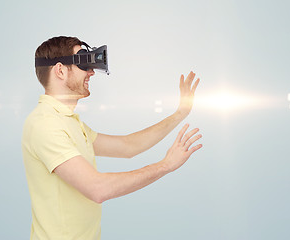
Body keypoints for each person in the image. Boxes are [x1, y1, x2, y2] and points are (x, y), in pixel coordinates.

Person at [22, 36, 203, 240]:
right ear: (60, 70)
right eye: (83, 63)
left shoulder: (69, 121)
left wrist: (180, 113)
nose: (91, 72)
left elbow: (128, 147)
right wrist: (165, 166)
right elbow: (97, 189)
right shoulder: (46, 124)